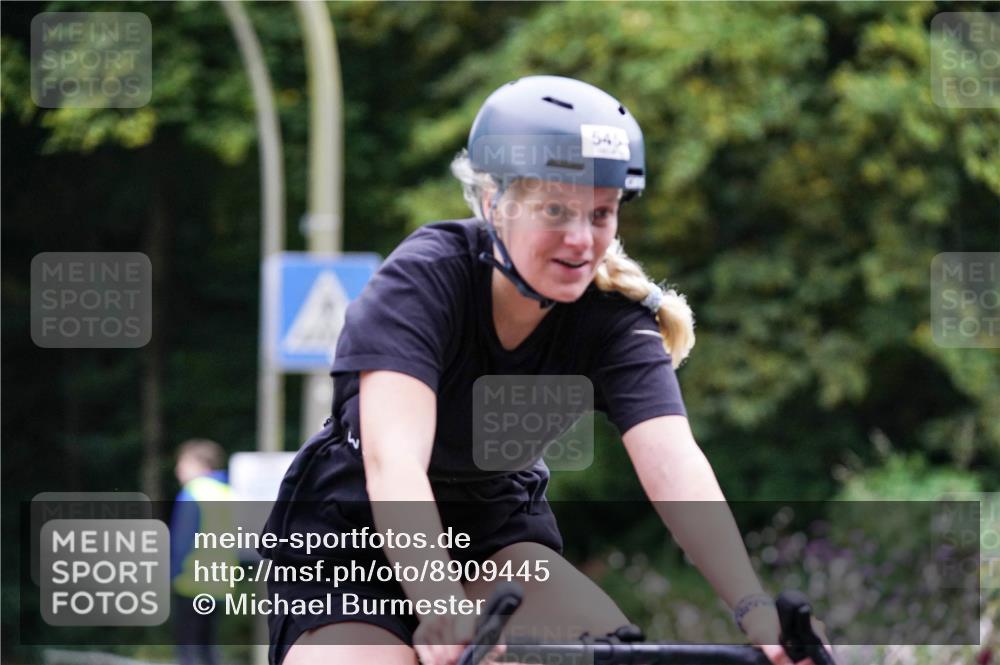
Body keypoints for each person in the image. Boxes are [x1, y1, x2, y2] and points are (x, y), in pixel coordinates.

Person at [261, 75, 823, 665]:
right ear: (493, 202)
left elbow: (675, 466)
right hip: (352, 539)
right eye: (555, 209)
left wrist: (756, 612)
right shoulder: (424, 280)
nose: (582, 241)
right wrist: (438, 601)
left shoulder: (611, 317)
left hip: (495, 533)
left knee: (610, 656)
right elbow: (393, 463)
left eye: (601, 214)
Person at [171, 438, 234, 665]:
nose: (178, 470)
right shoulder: (229, 492)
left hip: (191, 581)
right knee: (209, 647)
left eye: (183, 463)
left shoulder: (194, 492)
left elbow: (182, 540)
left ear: (199, 464)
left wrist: (172, 574)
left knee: (188, 648)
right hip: (220, 582)